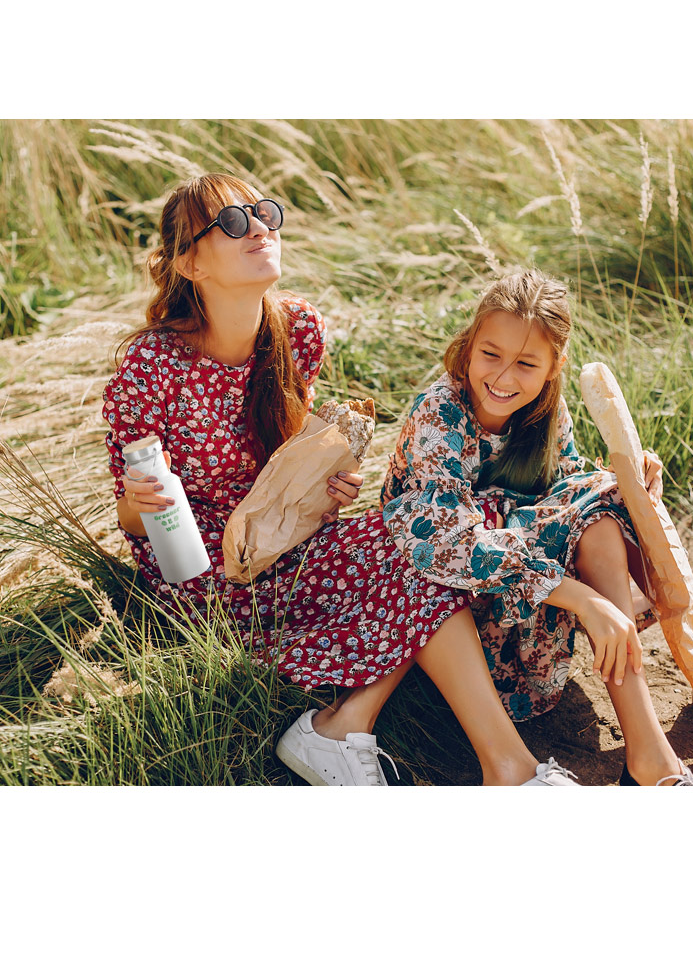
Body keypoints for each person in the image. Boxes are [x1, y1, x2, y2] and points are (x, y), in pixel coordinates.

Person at [101, 173, 580, 786]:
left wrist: (328, 488)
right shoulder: (151, 364)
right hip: (207, 574)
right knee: (420, 552)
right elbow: (131, 520)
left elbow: (288, 459)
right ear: (190, 263)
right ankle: (492, 763)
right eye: (233, 222)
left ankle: (413, 744)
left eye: (264, 213)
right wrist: (142, 501)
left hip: (291, 542)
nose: (259, 229)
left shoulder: (297, 329)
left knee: (425, 539)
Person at [380, 268, 693, 785]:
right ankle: (662, 750)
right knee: (605, 500)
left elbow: (565, 486)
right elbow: (446, 542)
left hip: (527, 582)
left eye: (526, 363)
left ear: (554, 366)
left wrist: (632, 480)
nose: (503, 377)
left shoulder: (545, 410)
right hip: (461, 601)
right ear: (470, 344)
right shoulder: (441, 414)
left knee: (613, 502)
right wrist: (585, 599)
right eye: (490, 354)